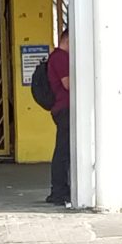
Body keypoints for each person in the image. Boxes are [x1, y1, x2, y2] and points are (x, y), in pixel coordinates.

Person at [46, 30, 71, 205]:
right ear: (68, 40)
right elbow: (68, 84)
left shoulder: (57, 57)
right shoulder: (60, 57)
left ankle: (61, 189)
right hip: (64, 109)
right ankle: (59, 191)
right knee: (63, 151)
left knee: (64, 150)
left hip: (62, 108)